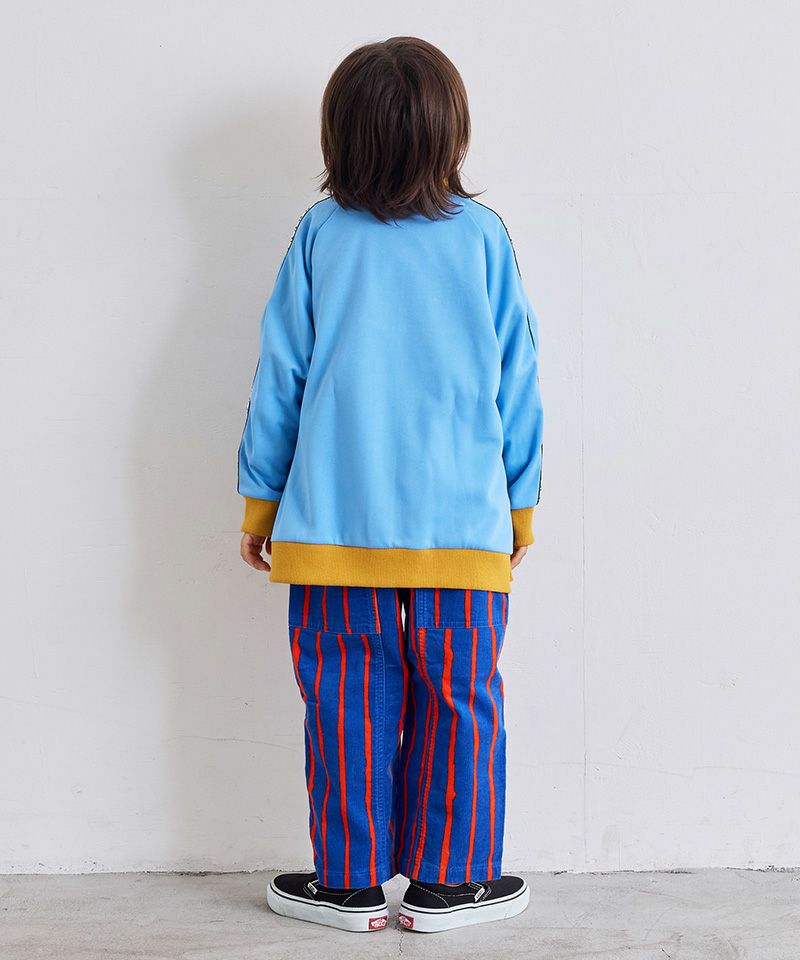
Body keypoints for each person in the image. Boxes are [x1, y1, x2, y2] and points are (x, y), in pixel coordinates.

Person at [237, 36, 543, 934]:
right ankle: (453, 882)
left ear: (341, 136)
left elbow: (280, 377)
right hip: (464, 527)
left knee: (345, 699)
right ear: (452, 133)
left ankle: (350, 883)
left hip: (332, 526)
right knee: (460, 698)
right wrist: (520, 509)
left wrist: (260, 504)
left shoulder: (321, 236)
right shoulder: (483, 238)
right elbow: (518, 380)